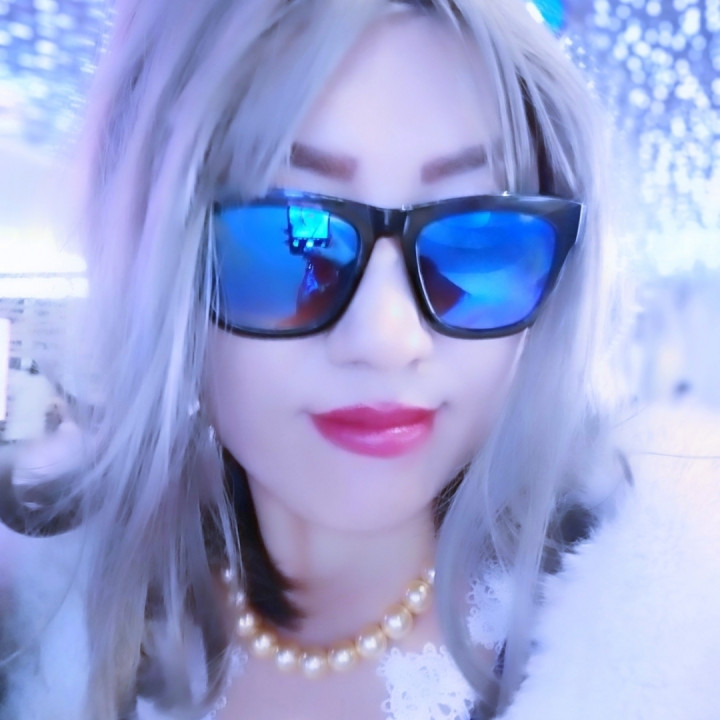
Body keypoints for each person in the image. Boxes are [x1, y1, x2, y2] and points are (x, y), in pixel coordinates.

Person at [1, 0, 719, 718]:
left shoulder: (675, 649)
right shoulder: (39, 630)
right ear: (154, 262)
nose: (387, 339)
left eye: (477, 240)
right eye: (289, 234)